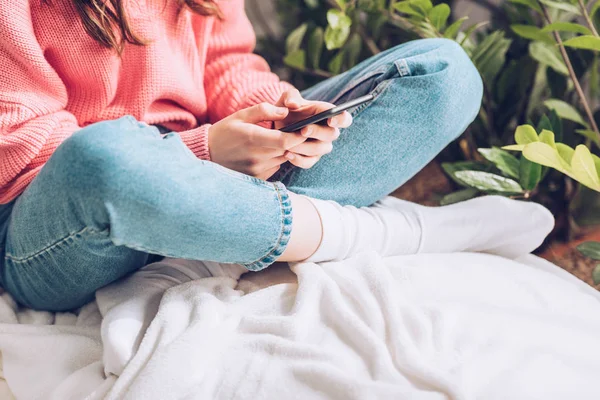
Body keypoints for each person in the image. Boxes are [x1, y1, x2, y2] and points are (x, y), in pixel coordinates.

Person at [0, 0, 553, 312]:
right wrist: (208, 151)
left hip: (206, 174)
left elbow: (224, 62)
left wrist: (275, 113)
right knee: (104, 159)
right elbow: (23, 152)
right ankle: (386, 234)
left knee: (444, 72)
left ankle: (222, 232)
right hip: (63, 220)